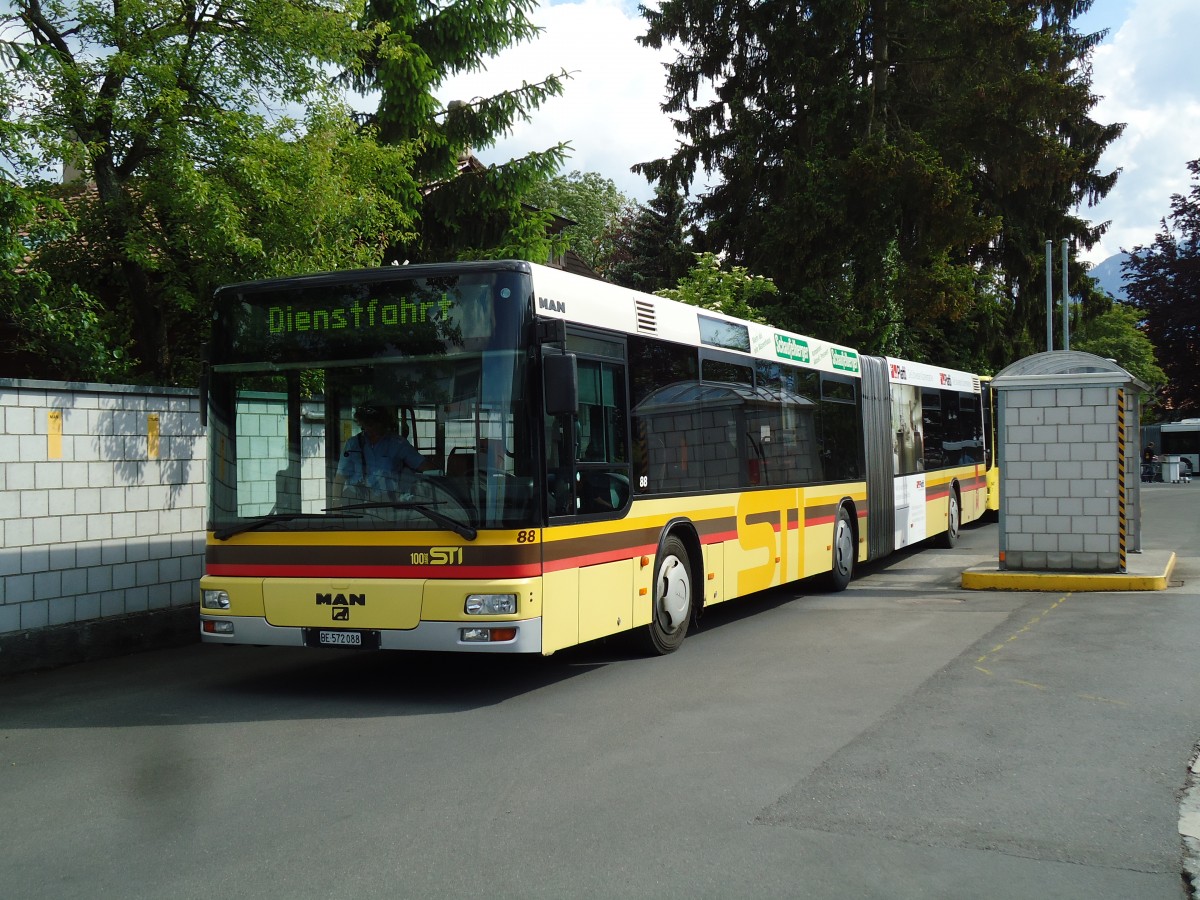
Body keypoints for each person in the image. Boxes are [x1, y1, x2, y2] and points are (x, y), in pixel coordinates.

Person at [334, 402, 429, 500]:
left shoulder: (398, 444)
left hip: (388, 502)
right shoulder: (353, 444)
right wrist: (335, 501)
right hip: (357, 502)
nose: (370, 429)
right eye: (366, 425)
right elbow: (340, 477)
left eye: (373, 424)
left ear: (383, 423)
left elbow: (424, 466)